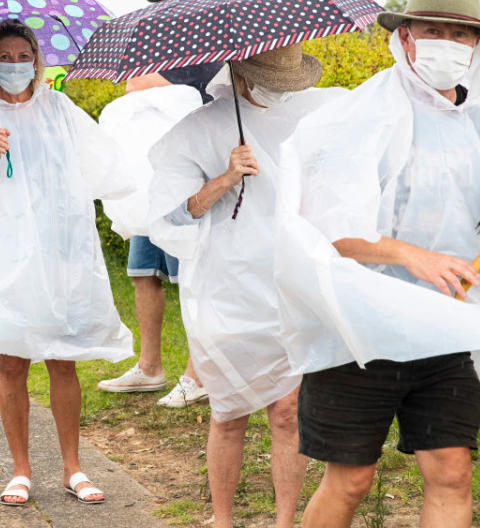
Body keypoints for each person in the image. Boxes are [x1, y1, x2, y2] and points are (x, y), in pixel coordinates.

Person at [274, 0, 480, 528]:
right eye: (432, 29)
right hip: (359, 330)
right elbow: (328, 231)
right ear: (406, 37)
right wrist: (414, 256)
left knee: (451, 471)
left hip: (444, 327)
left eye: (460, 34)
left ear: (477, 46)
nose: (447, 43)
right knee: (350, 481)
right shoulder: (356, 118)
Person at [0, 19, 135, 507]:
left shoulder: (59, 109)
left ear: (37, 60)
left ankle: (73, 467)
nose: (17, 66)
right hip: (4, 256)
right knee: (13, 361)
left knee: (64, 359)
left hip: (61, 254)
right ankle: (20, 469)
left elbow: (102, 169)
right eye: (6, 57)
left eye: (25, 57)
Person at [147, 44, 343, 528]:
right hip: (226, 287)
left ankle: (283, 521)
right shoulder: (198, 130)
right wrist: (226, 177)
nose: (280, 92)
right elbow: (172, 214)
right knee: (229, 410)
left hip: (294, 284)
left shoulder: (319, 116)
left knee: (288, 409)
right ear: (239, 73)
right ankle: (222, 518)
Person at [97, 0, 209, 408]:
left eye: (166, 6)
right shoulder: (165, 51)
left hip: (188, 186)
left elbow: (140, 86)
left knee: (191, 279)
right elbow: (134, 87)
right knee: (144, 274)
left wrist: (146, 79)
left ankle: (198, 373)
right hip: (148, 185)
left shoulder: (210, 52)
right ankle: (149, 367)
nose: (159, 14)